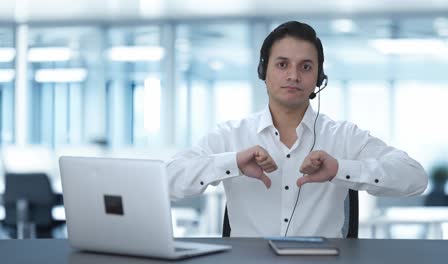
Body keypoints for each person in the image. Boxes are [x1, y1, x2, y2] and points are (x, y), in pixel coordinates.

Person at [167, 21, 428, 237]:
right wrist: (231, 163)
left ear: (318, 78)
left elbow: (415, 178)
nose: (293, 76)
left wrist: (340, 169)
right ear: (263, 71)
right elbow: (168, 181)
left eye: (305, 67)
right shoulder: (230, 135)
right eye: (282, 64)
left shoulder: (345, 136)